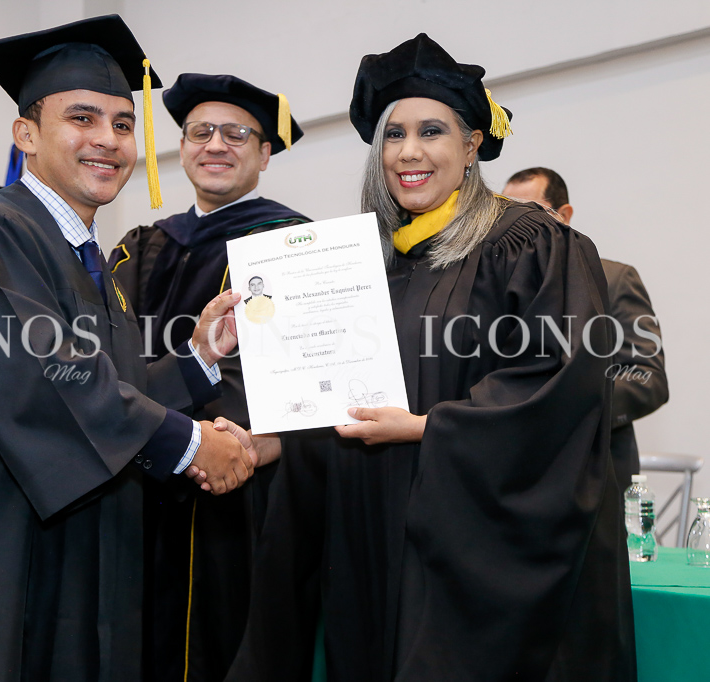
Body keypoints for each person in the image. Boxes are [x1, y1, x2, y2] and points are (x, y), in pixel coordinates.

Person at [0, 15, 256, 682]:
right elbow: (40, 379)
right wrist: (189, 444)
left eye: (123, 124)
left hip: (64, 564)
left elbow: (111, 386)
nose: (108, 140)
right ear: (26, 134)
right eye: (82, 118)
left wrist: (199, 358)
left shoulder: (90, 261)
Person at [224, 34, 635, 681]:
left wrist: (424, 428)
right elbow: (340, 396)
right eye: (393, 134)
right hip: (371, 538)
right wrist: (281, 441)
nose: (408, 151)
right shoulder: (364, 264)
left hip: (472, 554)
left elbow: (561, 384)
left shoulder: (533, 244)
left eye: (431, 131)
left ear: (472, 145)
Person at [110, 73, 308, 682]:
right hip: (133, 480)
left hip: (239, 487)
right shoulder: (137, 247)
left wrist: (222, 446)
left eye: (236, 134)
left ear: (265, 153)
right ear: (182, 147)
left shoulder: (297, 243)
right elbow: (109, 364)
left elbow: (302, 372)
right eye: (200, 132)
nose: (215, 144)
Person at [503, 167, 668, 485]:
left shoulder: (615, 280)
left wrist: (568, 407)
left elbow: (649, 380)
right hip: (519, 471)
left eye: (530, 215)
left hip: (597, 471)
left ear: (564, 215)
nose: (516, 227)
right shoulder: (501, 285)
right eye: (509, 215)